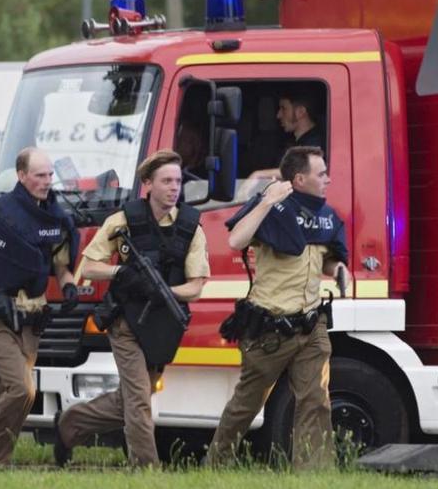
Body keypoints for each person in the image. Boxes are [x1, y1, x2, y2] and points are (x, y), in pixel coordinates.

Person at [54, 150, 210, 468]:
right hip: (126, 321)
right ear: (148, 184)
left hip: (163, 324)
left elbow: (196, 287)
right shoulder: (123, 220)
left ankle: (70, 424)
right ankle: (146, 469)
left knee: (132, 398)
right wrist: (121, 273)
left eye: (178, 181)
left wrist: (164, 292)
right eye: (166, 181)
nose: (174, 187)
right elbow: (89, 266)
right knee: (139, 399)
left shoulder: (191, 226)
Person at [206, 146, 349, 471]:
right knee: (246, 404)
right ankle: (216, 465)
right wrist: (268, 199)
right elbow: (236, 241)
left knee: (315, 402)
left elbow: (326, 258)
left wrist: (338, 268)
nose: (328, 178)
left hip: (311, 326)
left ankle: (313, 475)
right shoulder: (272, 211)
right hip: (269, 330)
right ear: (300, 178)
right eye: (321, 173)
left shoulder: (325, 215)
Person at [0, 147, 79, 465]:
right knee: (23, 390)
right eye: (39, 175)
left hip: (31, 319)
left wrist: (69, 287)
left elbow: (60, 265)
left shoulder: (55, 219)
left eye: (50, 174)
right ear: (22, 176)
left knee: (1, 391)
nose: (47, 181)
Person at [249, 91, 325, 180]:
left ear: (300, 112)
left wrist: (259, 174)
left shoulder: (315, 143)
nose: (278, 115)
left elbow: (302, 170)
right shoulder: (290, 141)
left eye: (283, 109)